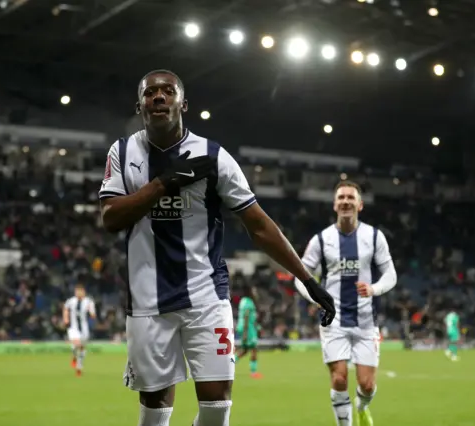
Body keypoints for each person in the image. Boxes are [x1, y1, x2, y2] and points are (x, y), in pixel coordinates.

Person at [99, 69, 335, 426]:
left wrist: (307, 278)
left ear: (184, 104)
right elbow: (111, 218)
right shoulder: (122, 152)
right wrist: (164, 183)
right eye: (150, 93)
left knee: (216, 408)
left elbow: (259, 225)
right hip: (147, 302)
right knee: (155, 410)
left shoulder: (213, 156)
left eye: (168, 91)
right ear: (140, 105)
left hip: (207, 297)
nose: (159, 97)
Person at [294, 180, 397, 426]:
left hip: (365, 321)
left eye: (351, 197)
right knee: (339, 379)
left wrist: (373, 289)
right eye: (341, 198)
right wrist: (315, 297)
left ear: (360, 205)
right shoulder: (321, 240)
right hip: (333, 320)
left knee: (367, 385)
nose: (346, 201)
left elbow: (391, 274)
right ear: (334, 205)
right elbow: (299, 277)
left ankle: (362, 407)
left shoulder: (374, 237)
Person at [63, 283, 96, 376]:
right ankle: (74, 356)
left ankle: (79, 366)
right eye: (77, 291)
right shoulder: (71, 301)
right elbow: (65, 309)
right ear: (75, 292)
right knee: (76, 343)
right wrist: (66, 319)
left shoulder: (89, 301)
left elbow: (93, 315)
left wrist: (91, 312)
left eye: (80, 291)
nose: (79, 293)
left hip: (84, 328)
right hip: (73, 328)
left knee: (82, 348)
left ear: (84, 292)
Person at [234, 285, 261, 378]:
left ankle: (230, 364)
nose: (255, 293)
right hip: (248, 329)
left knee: (244, 350)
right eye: (253, 291)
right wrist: (246, 333)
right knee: (254, 349)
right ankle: (254, 372)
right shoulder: (248, 302)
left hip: (246, 328)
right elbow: (246, 316)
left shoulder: (243, 301)